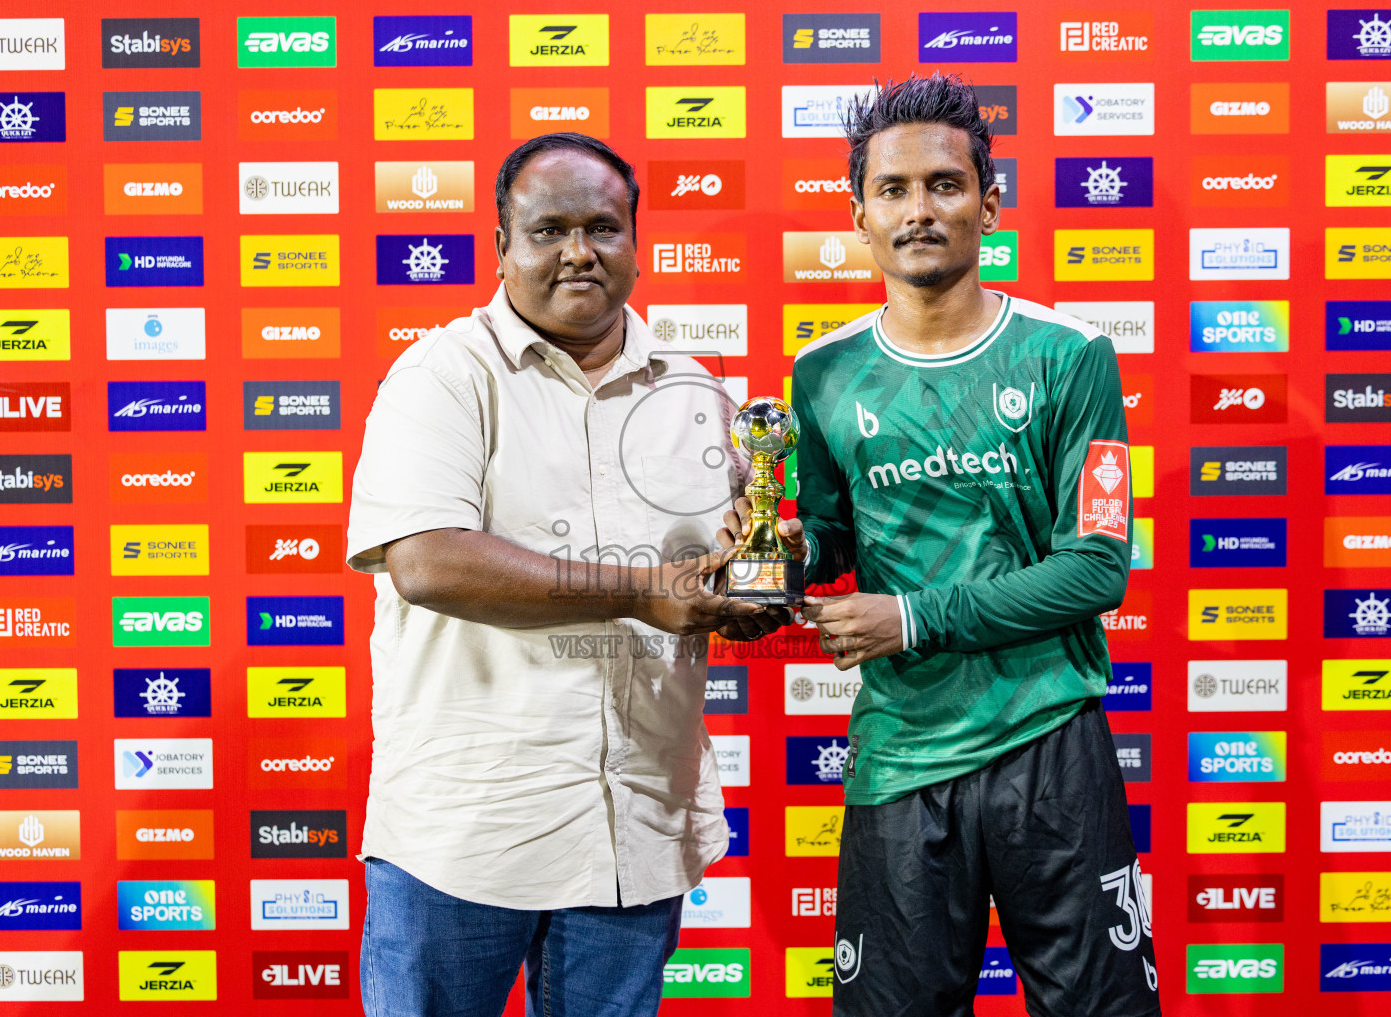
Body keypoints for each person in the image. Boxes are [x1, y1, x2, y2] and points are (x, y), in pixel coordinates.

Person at [724, 74, 1161, 1016]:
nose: (919, 210)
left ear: (988, 203)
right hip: (900, 755)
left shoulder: (1070, 355)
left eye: (944, 185)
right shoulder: (822, 373)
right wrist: (771, 560)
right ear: (859, 215)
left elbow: (1095, 570)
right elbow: (829, 540)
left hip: (1050, 741)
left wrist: (913, 618)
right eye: (893, 190)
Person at [347, 132, 776, 1017]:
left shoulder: (697, 395)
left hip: (635, 828)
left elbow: (727, 562)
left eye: (603, 228)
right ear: (501, 246)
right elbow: (428, 563)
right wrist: (640, 594)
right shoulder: (442, 375)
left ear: (635, 239)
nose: (579, 252)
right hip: (465, 836)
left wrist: (753, 588)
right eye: (549, 230)